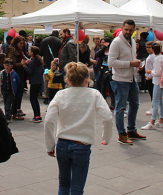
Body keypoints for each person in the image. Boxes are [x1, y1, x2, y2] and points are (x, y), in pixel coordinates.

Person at [44, 62, 113, 195]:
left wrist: (49, 145)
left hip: (62, 144)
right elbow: (107, 117)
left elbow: (48, 120)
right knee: (77, 189)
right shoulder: (94, 94)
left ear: (68, 80)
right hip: (82, 145)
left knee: (63, 185)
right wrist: (106, 137)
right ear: (87, 80)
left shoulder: (60, 94)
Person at [108, 19, 145, 145]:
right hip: (120, 79)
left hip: (132, 78)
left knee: (135, 104)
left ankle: (131, 130)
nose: (128, 32)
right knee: (120, 107)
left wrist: (136, 64)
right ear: (122, 28)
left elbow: (131, 58)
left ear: (134, 30)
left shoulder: (133, 41)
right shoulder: (116, 42)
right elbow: (111, 62)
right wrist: (130, 64)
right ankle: (121, 134)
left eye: (130, 30)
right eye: (126, 29)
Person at [142, 43, 163, 131]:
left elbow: (157, 72)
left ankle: (152, 122)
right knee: (160, 102)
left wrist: (150, 72)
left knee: (155, 102)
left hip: (157, 82)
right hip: (161, 81)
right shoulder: (162, 57)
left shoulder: (157, 58)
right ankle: (160, 119)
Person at [6, 36, 27, 120]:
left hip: (20, 75)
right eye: (20, 43)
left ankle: (16, 111)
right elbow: (10, 64)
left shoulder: (19, 50)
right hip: (15, 76)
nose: (22, 45)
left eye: (23, 43)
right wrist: (21, 64)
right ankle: (13, 113)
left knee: (19, 94)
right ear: (16, 43)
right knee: (16, 94)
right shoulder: (12, 50)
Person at [22, 46, 45, 122]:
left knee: (32, 99)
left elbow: (30, 72)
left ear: (32, 53)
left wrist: (24, 66)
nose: (28, 51)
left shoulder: (32, 62)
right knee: (35, 99)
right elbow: (42, 70)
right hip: (39, 81)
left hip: (34, 82)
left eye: (29, 50)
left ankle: (36, 116)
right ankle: (38, 115)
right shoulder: (39, 60)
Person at [40, 30, 62, 104]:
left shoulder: (44, 40)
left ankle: (46, 96)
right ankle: (55, 96)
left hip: (46, 63)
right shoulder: (59, 41)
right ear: (57, 34)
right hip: (56, 63)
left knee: (47, 80)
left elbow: (41, 53)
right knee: (56, 79)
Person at [95, 38, 115, 109]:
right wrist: (104, 47)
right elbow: (97, 54)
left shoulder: (112, 50)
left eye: (103, 42)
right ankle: (104, 101)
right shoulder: (102, 50)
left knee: (110, 86)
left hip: (110, 69)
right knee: (102, 86)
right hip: (102, 69)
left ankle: (113, 103)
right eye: (101, 42)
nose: (102, 44)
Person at [0, 58, 20, 123]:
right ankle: (7, 114)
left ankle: (7, 116)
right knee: (5, 103)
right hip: (5, 90)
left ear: (11, 66)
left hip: (11, 91)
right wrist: (1, 89)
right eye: (5, 65)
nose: (7, 67)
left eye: (8, 65)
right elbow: (1, 82)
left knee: (8, 103)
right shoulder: (3, 73)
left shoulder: (14, 74)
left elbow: (18, 81)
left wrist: (15, 89)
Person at [144, 41, 155, 114]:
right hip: (148, 76)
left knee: (153, 93)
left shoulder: (153, 56)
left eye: (149, 47)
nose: (148, 49)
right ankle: (154, 107)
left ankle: (154, 108)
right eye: (147, 47)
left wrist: (150, 76)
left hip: (151, 77)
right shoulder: (150, 56)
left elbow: (154, 67)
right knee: (151, 93)